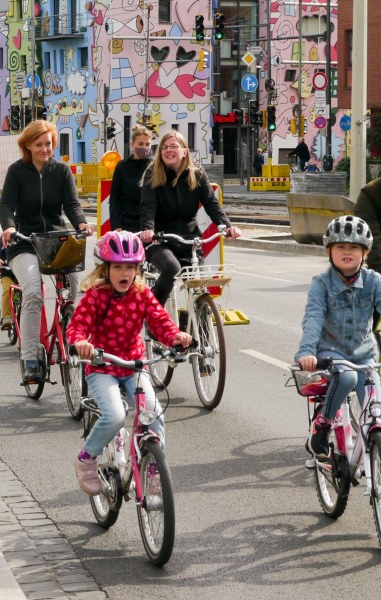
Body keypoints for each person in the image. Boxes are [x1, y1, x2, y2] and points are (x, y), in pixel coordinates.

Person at [67, 231, 192, 495]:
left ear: (138, 269)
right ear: (106, 269)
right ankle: (86, 460)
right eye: (118, 267)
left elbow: (160, 322)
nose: (125, 273)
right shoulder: (96, 295)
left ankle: (154, 471)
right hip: (103, 368)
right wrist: (80, 342)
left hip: (134, 366)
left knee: (154, 414)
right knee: (115, 415)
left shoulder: (142, 293)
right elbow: (77, 325)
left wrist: (175, 336)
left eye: (130, 267)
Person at [0, 120, 93, 384]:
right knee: (32, 292)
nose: (45, 148)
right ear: (27, 145)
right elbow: (6, 205)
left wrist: (82, 223)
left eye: (49, 143)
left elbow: (72, 205)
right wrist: (8, 227)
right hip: (25, 241)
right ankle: (30, 359)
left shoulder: (61, 171)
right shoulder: (16, 172)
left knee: (75, 281)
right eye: (39, 144)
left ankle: (70, 325)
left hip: (55, 239)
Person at [296, 216, 381, 457]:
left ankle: (376, 453)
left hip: (365, 354)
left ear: (365, 253)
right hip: (331, 352)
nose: (347, 251)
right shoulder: (321, 284)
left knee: (376, 404)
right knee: (345, 378)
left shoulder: (374, 281)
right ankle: (323, 423)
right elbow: (312, 318)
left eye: (354, 247)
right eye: (340, 246)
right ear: (329, 251)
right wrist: (306, 352)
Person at [138, 130, 241, 307]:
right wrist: (148, 229)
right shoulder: (152, 174)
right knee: (172, 269)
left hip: (190, 239)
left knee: (198, 282)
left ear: (185, 151)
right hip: (160, 240)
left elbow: (211, 204)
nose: (168, 150)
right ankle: (152, 314)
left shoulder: (197, 174)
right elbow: (148, 206)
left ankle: (196, 320)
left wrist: (227, 226)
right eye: (164, 147)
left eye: (173, 146)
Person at [109, 124, 152, 232]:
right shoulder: (122, 167)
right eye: (140, 144)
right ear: (133, 145)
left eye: (147, 144)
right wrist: (116, 225)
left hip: (151, 224)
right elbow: (115, 198)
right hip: (128, 224)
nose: (144, 147)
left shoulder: (155, 166)